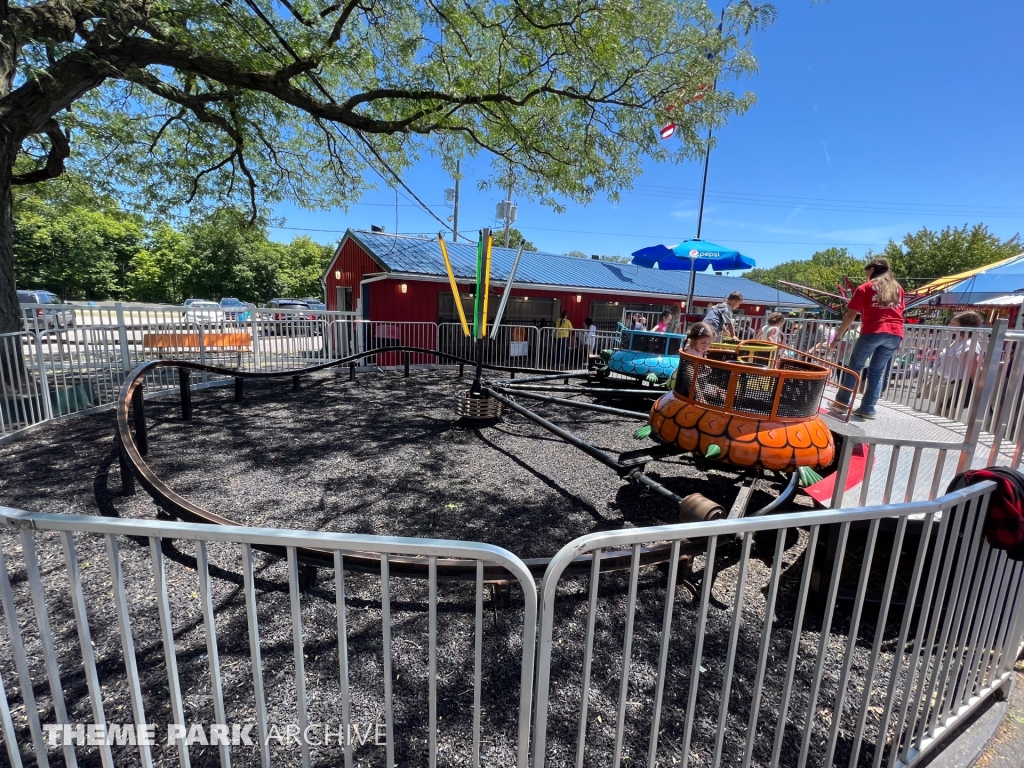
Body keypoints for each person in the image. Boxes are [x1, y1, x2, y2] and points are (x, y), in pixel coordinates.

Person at [828, 257, 906, 419]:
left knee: (854, 368)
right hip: (895, 333)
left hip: (874, 330)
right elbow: (900, 312)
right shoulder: (898, 289)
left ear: (871, 270)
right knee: (876, 371)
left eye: (866, 273)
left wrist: (837, 338)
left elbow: (850, 315)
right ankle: (868, 408)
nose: (866, 276)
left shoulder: (866, 288)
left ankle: (841, 404)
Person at [931, 311, 984, 418]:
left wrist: (979, 391)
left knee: (947, 414)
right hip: (948, 382)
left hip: (959, 385)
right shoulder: (958, 341)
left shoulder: (969, 345)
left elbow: (975, 369)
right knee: (941, 411)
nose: (949, 326)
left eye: (953, 324)